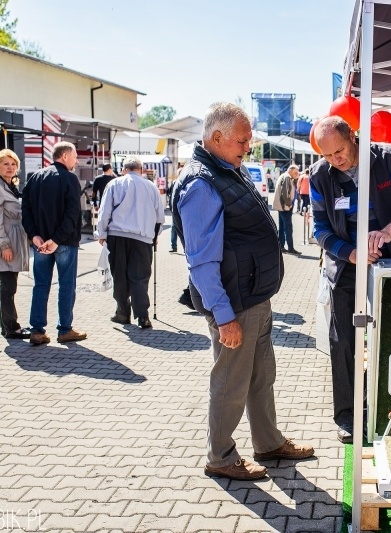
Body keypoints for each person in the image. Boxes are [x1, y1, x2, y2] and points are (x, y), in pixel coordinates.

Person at [177, 102, 313, 481]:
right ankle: (220, 456)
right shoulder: (201, 184)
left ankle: (268, 442)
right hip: (233, 303)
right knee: (231, 383)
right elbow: (201, 262)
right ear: (217, 137)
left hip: (253, 295)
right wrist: (224, 317)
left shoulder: (227, 169)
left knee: (260, 375)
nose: (247, 148)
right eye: (242, 141)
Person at [310, 115, 391, 443]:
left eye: (339, 151)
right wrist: (351, 253)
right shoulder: (319, 176)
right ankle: (347, 414)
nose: (336, 160)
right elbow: (320, 230)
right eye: (328, 155)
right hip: (345, 264)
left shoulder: (387, 158)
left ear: (352, 136)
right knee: (343, 340)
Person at [21, 141, 87, 346]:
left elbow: (26, 211)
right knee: (66, 285)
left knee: (40, 285)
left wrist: (34, 235)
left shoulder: (35, 178)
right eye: (75, 156)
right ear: (65, 156)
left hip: (40, 242)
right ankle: (65, 329)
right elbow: (72, 213)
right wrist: (57, 239)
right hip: (64, 242)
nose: (77, 161)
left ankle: (37, 330)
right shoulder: (70, 179)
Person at [96, 156, 165, 328]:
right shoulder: (151, 187)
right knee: (140, 277)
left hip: (117, 236)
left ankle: (122, 312)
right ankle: (143, 316)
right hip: (143, 239)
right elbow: (160, 217)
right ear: (141, 170)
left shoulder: (114, 184)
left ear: (124, 170)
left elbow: (105, 212)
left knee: (119, 275)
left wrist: (101, 234)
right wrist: (155, 237)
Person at [0, 149, 31, 339]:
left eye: (13, 164)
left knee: (10, 285)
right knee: (8, 286)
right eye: (5, 164)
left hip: (14, 238)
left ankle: (8, 326)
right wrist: (4, 245)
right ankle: (11, 327)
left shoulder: (10, 185)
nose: (10, 168)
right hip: (5, 240)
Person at [273, 165, 300, 255]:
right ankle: (290, 248)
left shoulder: (284, 176)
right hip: (285, 207)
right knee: (288, 228)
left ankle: (281, 246)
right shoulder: (287, 177)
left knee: (282, 227)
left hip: (281, 206)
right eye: (295, 172)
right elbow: (285, 192)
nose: (297, 174)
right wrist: (289, 204)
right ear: (290, 170)